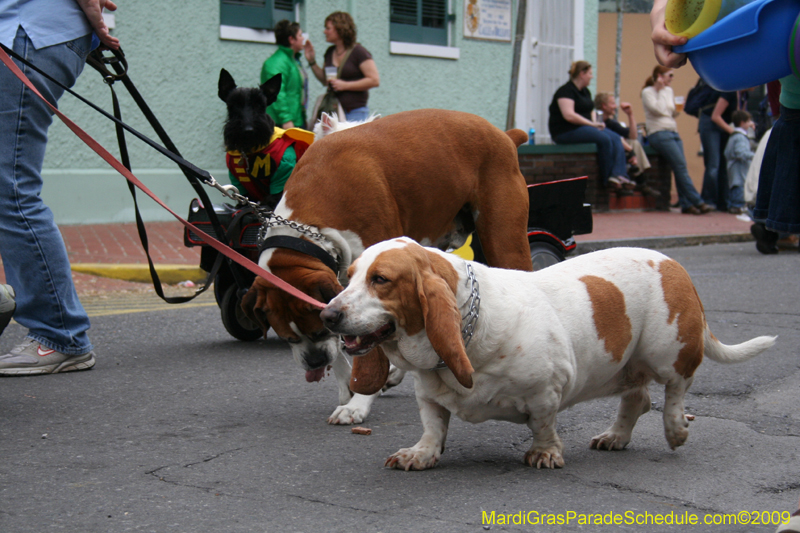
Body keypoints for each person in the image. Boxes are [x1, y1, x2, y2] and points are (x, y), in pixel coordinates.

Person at [0, 0, 119, 375]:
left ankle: (60, 334)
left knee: (10, 187)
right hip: (37, 32)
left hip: (26, 35)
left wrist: (91, 18)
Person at [548, 61, 636, 195]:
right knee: (604, 139)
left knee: (616, 137)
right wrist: (592, 125)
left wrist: (597, 123)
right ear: (582, 74)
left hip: (584, 128)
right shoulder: (565, 91)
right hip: (566, 131)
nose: (591, 77)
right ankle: (607, 180)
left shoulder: (585, 92)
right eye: (589, 73)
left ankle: (619, 175)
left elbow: (590, 113)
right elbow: (569, 116)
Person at [641, 65, 712, 214]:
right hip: (658, 132)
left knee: (680, 166)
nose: (672, 79)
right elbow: (658, 110)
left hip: (672, 131)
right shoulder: (648, 92)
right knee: (680, 166)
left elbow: (671, 113)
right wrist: (659, 90)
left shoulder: (669, 91)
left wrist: (678, 109)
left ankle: (686, 204)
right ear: (660, 76)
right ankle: (697, 201)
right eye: (670, 75)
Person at [304, 11, 379, 122]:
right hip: (334, 111)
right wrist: (312, 62)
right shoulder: (330, 52)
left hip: (355, 111)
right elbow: (325, 80)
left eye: (328, 28)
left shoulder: (359, 52)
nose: (324, 32)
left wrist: (345, 85)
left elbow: (374, 80)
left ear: (340, 29)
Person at [594, 91, 660, 197]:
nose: (615, 106)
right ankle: (638, 182)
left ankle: (636, 182)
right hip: (606, 154)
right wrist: (630, 151)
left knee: (634, 142)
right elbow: (614, 138)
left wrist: (630, 114)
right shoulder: (597, 122)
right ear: (604, 106)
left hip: (619, 154)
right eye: (612, 103)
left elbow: (632, 136)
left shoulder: (611, 123)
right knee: (629, 146)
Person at [261, 19, 310, 130]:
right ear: (291, 39)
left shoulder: (293, 60)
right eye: (300, 35)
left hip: (296, 118)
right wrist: (286, 119)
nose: (303, 38)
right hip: (282, 123)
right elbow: (277, 94)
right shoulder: (276, 63)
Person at [699, 89, 738, 211]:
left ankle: (723, 202)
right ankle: (708, 200)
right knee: (713, 164)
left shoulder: (743, 95)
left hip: (723, 127)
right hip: (710, 125)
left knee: (724, 165)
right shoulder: (730, 90)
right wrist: (735, 132)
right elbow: (715, 116)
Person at [724, 110, 755, 215]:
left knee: (735, 186)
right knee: (739, 186)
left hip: (734, 169)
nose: (750, 123)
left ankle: (734, 205)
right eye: (748, 121)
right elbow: (741, 153)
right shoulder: (740, 137)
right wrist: (754, 156)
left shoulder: (734, 136)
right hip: (739, 170)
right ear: (742, 123)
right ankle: (737, 206)